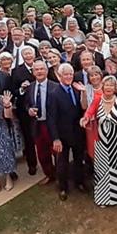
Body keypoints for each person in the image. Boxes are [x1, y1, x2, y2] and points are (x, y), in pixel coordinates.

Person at [81, 75, 117, 207]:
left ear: (115, 88)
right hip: (101, 139)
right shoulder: (97, 100)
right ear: (102, 87)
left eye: (111, 85)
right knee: (103, 167)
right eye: (106, 85)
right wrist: (85, 118)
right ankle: (103, 197)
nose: (109, 87)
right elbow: (89, 112)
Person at [47, 64, 87, 200]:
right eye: (66, 74)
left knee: (78, 160)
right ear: (59, 76)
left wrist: (83, 92)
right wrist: (55, 139)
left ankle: (79, 182)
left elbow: (83, 109)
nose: (69, 77)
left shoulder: (77, 90)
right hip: (62, 135)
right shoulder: (54, 94)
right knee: (62, 163)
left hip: (77, 132)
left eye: (71, 74)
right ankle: (63, 188)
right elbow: (51, 118)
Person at [25, 60, 57, 184]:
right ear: (33, 72)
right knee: (42, 153)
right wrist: (29, 110)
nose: (39, 72)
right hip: (37, 125)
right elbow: (26, 103)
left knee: (57, 153)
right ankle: (49, 174)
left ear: (47, 71)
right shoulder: (31, 87)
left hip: (52, 126)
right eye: (36, 69)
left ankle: (61, 176)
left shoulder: (55, 87)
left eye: (41, 69)